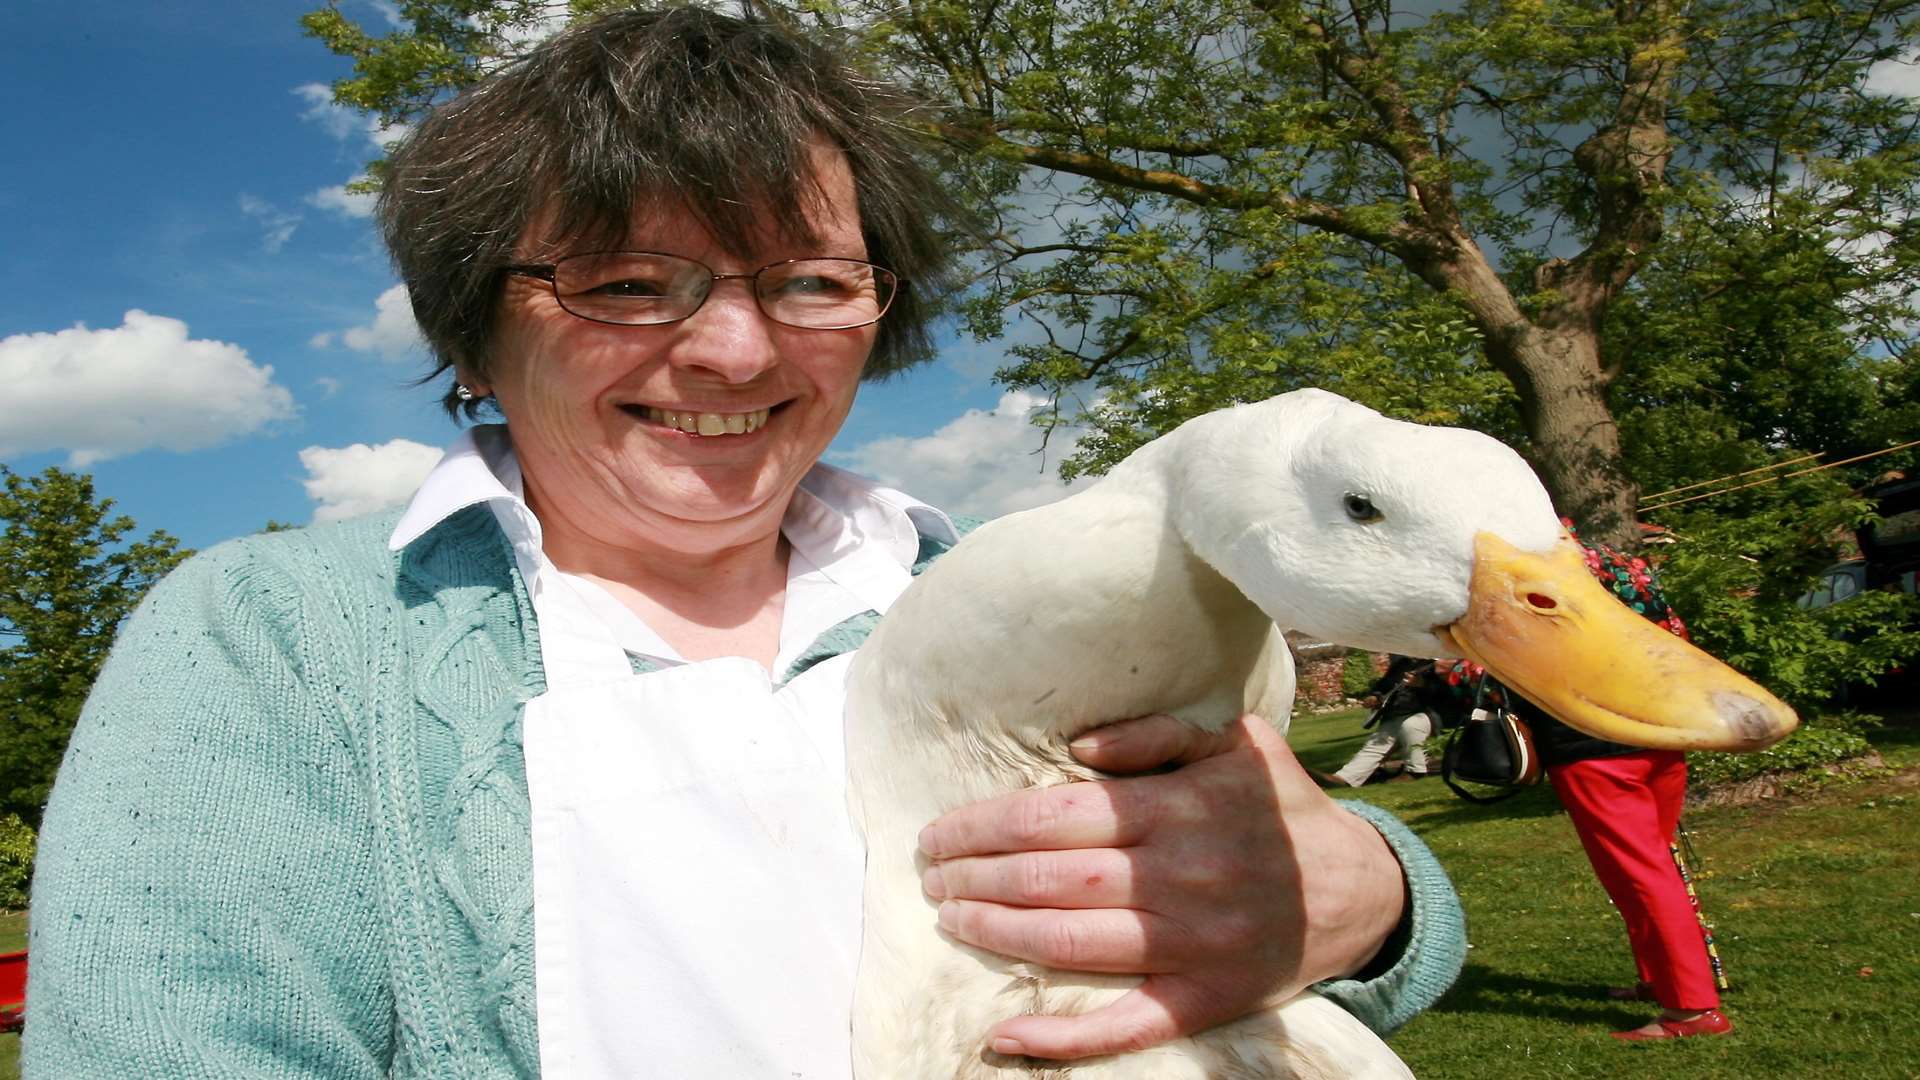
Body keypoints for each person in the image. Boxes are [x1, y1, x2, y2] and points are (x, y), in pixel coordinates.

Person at [23, 9, 1465, 1076]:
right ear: (471, 330)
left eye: (808, 280)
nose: (729, 347)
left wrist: (1382, 897)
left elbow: (1287, 912)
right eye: (628, 281)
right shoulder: (275, 640)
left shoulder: (986, 595)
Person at [1444, 539, 1731, 1042]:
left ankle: (1692, 1009)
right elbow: (1675, 635)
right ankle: (1657, 978)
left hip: (1591, 748)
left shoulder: (1513, 578)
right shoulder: (1625, 564)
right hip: (1659, 730)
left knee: (1641, 875)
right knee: (1649, 867)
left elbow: (1476, 671)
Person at [1321, 655, 1446, 786]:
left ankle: (1415, 772)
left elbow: (1451, 692)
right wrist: (1375, 696)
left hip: (1431, 714)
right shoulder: (1403, 664)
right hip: (1399, 713)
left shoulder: (1441, 664)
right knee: (1376, 745)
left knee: (1411, 726)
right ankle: (1345, 779)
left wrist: (1423, 684)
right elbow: (1385, 684)